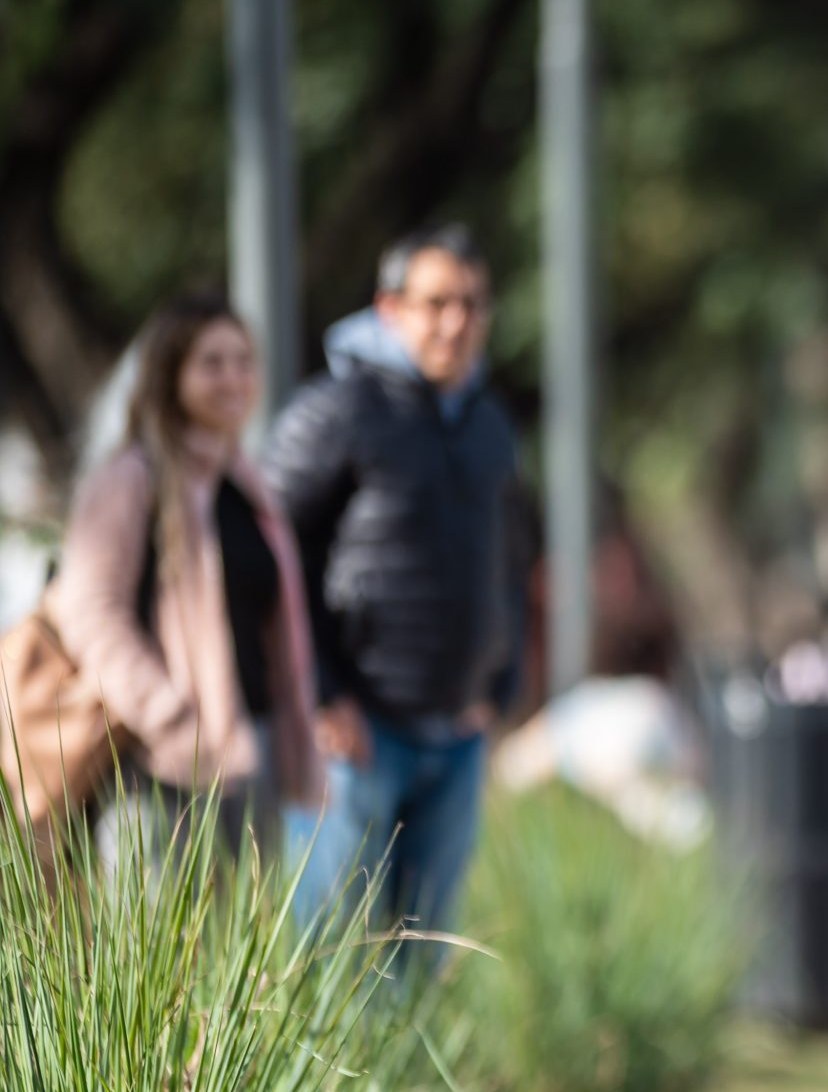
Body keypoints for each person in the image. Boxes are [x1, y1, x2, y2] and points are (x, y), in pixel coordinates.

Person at [268, 224, 525, 940]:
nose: (456, 322)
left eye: (473, 304)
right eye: (436, 301)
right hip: (357, 735)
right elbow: (272, 558)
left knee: (418, 960)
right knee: (321, 962)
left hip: (457, 735)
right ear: (389, 306)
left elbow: (511, 562)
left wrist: (498, 688)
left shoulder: (490, 424)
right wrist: (320, 693)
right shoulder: (337, 409)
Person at [49, 294, 321, 867]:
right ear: (169, 373)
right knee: (160, 949)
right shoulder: (129, 478)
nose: (234, 379)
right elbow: (89, 612)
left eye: (244, 361)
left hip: (252, 753)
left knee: (244, 952)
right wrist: (168, 713)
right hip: (155, 763)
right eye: (212, 363)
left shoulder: (247, 486)